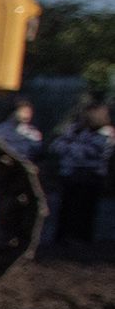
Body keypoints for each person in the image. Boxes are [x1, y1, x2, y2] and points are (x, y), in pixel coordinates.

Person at [51, 104, 111, 244]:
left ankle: (82, 238)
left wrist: (71, 147)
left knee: (85, 209)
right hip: (70, 174)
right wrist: (73, 146)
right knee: (66, 208)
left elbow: (94, 152)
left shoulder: (106, 133)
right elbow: (56, 146)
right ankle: (62, 238)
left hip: (91, 175)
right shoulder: (75, 130)